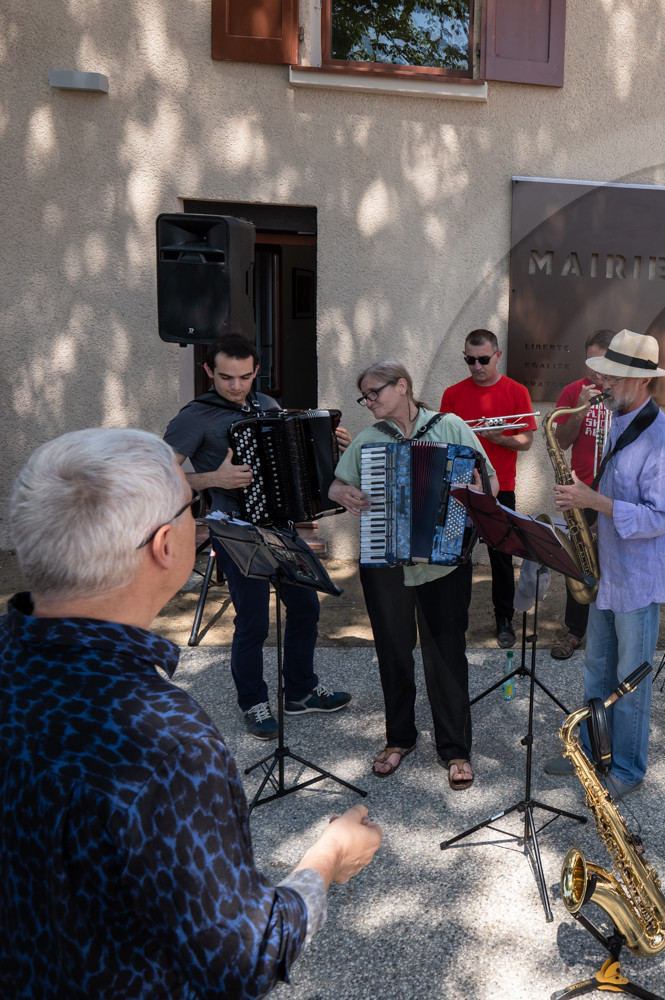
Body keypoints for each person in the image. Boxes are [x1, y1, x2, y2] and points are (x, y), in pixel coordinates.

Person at [0, 428, 381, 998]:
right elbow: (244, 958)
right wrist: (327, 858)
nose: (198, 521)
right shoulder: (163, 741)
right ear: (164, 544)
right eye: (192, 507)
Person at [164, 333, 351, 740]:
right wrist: (213, 478)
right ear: (209, 371)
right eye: (227, 377)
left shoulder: (267, 406)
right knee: (252, 623)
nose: (236, 386)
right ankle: (253, 701)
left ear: (255, 372)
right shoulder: (193, 417)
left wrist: (334, 447)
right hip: (233, 530)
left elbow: (293, 457)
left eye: (245, 377)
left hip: (279, 526)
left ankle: (299, 691)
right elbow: (157, 473)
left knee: (306, 609)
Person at [328, 361, 497, 791]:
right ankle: (398, 738)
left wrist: (478, 492)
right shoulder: (369, 441)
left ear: (402, 386)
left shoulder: (452, 427)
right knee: (393, 651)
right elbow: (335, 485)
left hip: (443, 561)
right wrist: (342, 492)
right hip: (384, 563)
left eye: (374, 392)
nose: (369, 402)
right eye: (364, 396)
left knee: (446, 652)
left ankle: (455, 748)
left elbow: (488, 480)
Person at [548, 330, 665, 795]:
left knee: (630, 681)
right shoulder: (618, 421)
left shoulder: (664, 440)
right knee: (596, 670)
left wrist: (596, 502)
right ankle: (590, 752)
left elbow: (662, 516)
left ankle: (628, 769)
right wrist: (588, 525)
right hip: (608, 571)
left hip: (638, 580)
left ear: (641, 382)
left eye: (613, 376)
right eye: (603, 373)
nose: (602, 382)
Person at [439, 328, 536, 648]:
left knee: (501, 556)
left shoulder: (516, 391)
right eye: (469, 360)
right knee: (455, 553)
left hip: (502, 486)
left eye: (482, 359)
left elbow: (526, 440)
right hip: (462, 486)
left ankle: (504, 619)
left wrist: (501, 439)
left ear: (497, 355)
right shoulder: (453, 394)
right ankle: (453, 619)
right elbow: (443, 441)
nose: (476, 366)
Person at [547, 328, 615, 659]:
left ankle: (609, 629)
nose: (593, 370)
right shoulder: (574, 392)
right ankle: (575, 630)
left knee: (613, 562)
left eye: (600, 362)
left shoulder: (623, 395)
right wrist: (582, 409)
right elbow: (562, 440)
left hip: (615, 495)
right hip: (580, 492)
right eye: (589, 361)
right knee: (579, 563)